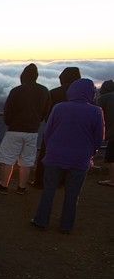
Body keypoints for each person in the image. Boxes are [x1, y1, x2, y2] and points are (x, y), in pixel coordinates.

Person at [32, 79, 104, 233]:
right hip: (80, 159)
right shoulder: (96, 111)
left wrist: (51, 148)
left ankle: (41, 221)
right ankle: (66, 226)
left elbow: (48, 132)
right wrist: (91, 153)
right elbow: (99, 138)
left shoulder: (59, 108)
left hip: (54, 156)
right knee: (72, 194)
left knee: (49, 190)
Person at [0, 63, 50, 194]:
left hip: (14, 130)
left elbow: (8, 110)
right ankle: (22, 188)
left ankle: (3, 186)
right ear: (36, 76)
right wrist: (37, 121)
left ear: (23, 76)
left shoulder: (16, 91)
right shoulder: (44, 90)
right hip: (33, 131)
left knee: (8, 158)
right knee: (27, 161)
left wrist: (9, 123)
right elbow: (46, 111)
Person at [33, 67, 81, 188]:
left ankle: (40, 182)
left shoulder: (54, 92)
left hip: (55, 130)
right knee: (69, 156)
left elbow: (47, 113)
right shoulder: (84, 94)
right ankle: (63, 181)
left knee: (46, 155)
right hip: (76, 132)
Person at [97, 79, 114, 187]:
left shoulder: (103, 98)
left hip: (113, 132)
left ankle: (112, 180)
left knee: (113, 158)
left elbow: (96, 116)